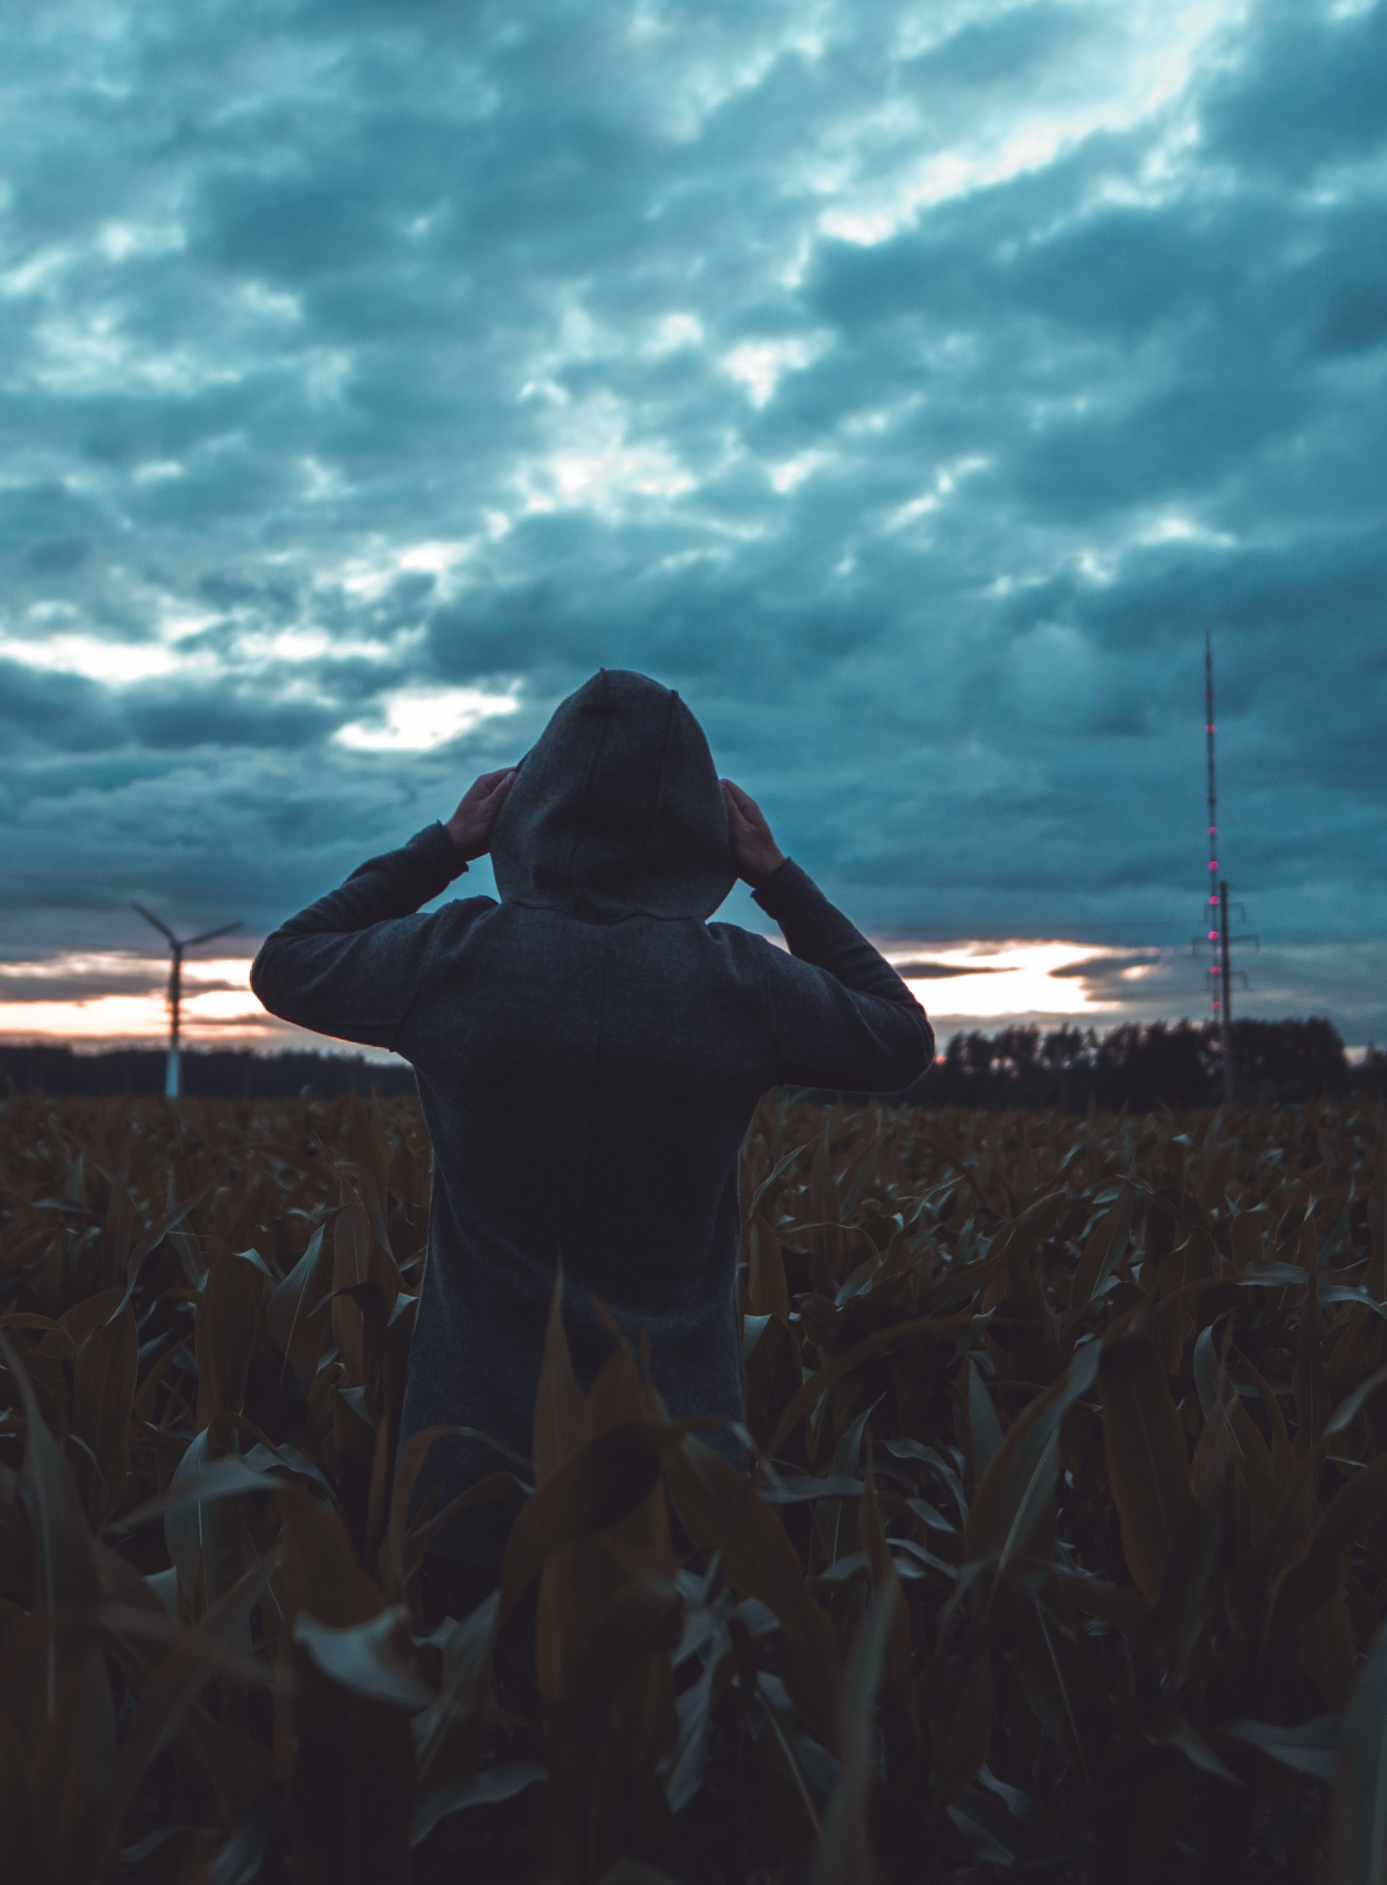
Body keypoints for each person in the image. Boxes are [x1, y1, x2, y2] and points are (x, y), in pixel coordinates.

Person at [250, 668, 932, 1610]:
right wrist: (776, 880)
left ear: (527, 808)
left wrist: (442, 848)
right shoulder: (737, 985)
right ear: (699, 830)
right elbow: (900, 1036)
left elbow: (286, 963)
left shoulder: (455, 959)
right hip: (678, 1474)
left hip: (468, 1478)